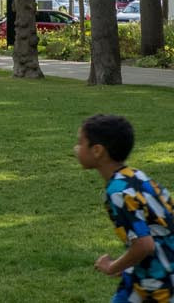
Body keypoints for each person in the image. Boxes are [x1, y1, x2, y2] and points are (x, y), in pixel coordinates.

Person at [75, 114, 174, 301]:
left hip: (159, 281)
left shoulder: (118, 192)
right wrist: (126, 264)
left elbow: (145, 245)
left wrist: (113, 267)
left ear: (97, 151)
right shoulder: (136, 176)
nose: (76, 148)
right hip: (146, 273)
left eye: (80, 143)